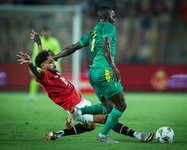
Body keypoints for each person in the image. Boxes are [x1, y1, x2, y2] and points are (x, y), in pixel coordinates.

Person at [16, 29, 154, 143]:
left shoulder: (52, 70)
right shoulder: (45, 76)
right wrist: (30, 63)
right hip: (75, 107)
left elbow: (42, 55)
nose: (54, 63)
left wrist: (38, 41)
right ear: (43, 66)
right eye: (51, 62)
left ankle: (59, 133)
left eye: (53, 61)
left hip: (81, 102)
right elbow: (36, 71)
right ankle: (138, 136)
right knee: (107, 117)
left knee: (91, 126)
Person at [51, 6, 154, 143]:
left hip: (92, 72)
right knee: (121, 105)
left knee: (108, 107)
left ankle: (79, 112)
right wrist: (113, 67)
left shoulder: (93, 33)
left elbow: (73, 47)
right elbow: (106, 45)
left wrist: (56, 56)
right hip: (104, 71)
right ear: (106, 16)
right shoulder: (108, 27)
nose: (114, 19)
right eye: (112, 15)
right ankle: (103, 135)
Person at [27, 27, 62, 101]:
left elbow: (58, 53)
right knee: (35, 78)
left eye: (47, 32)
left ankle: (58, 95)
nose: (46, 34)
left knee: (55, 79)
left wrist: (56, 64)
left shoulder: (54, 41)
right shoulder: (39, 41)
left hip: (50, 64)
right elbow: (35, 54)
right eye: (44, 32)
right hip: (40, 64)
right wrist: (32, 64)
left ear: (49, 32)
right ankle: (32, 95)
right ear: (42, 33)